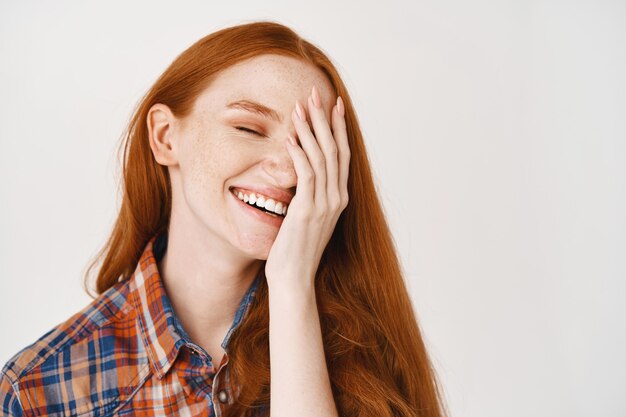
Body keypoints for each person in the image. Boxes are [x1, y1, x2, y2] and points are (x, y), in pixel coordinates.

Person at [0, 21, 448, 417]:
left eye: (312, 147)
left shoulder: (366, 354)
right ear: (164, 137)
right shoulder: (38, 390)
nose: (290, 170)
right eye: (249, 129)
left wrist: (293, 285)